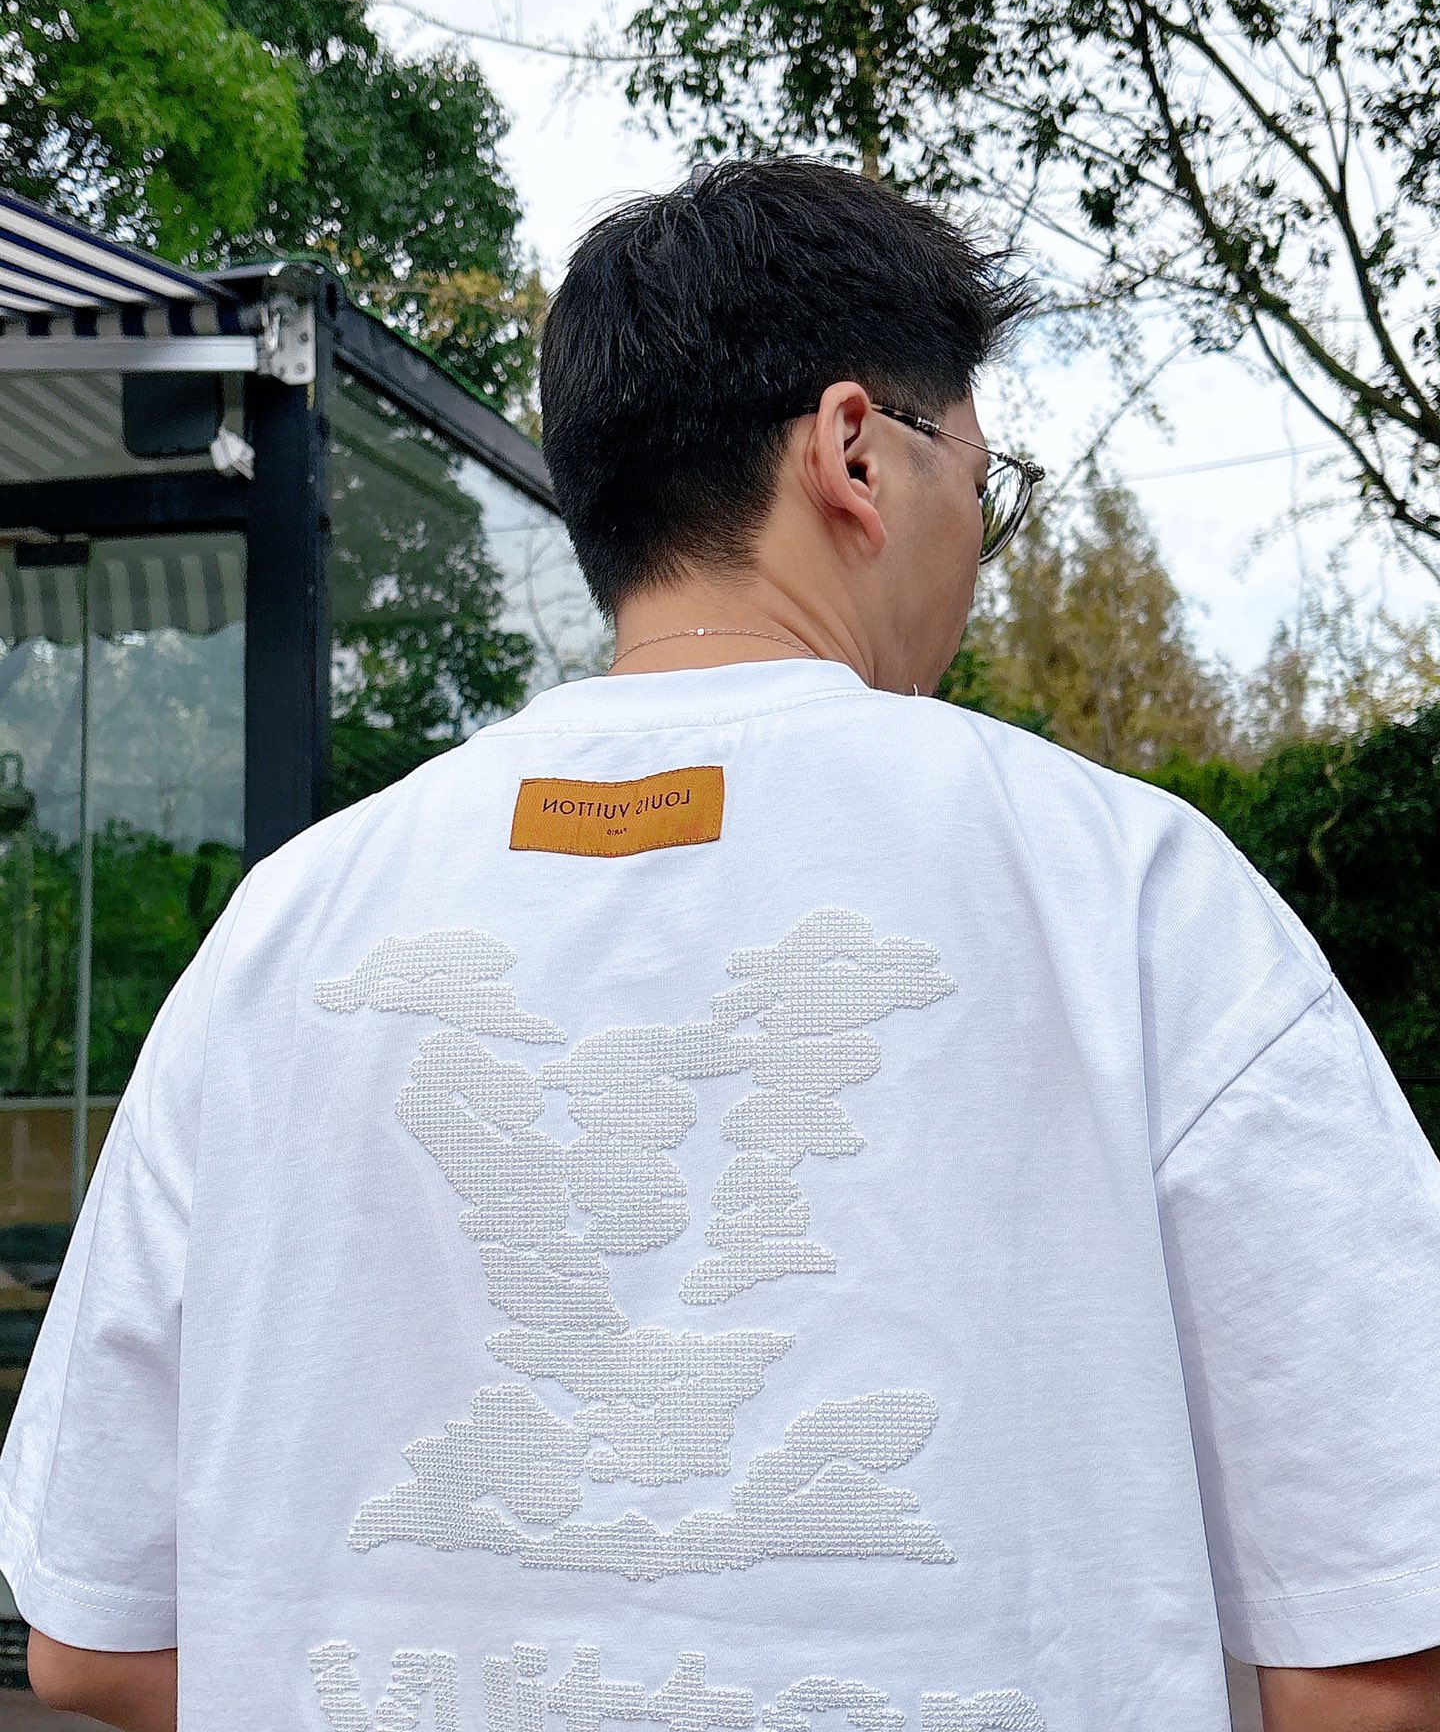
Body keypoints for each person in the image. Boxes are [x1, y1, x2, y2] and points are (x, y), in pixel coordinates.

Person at [2, 158, 1437, 1732]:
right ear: (854, 451)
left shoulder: (284, 932)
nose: (979, 542)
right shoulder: (1135, 897)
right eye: (986, 484)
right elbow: (1375, 1662)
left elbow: (94, 1641)